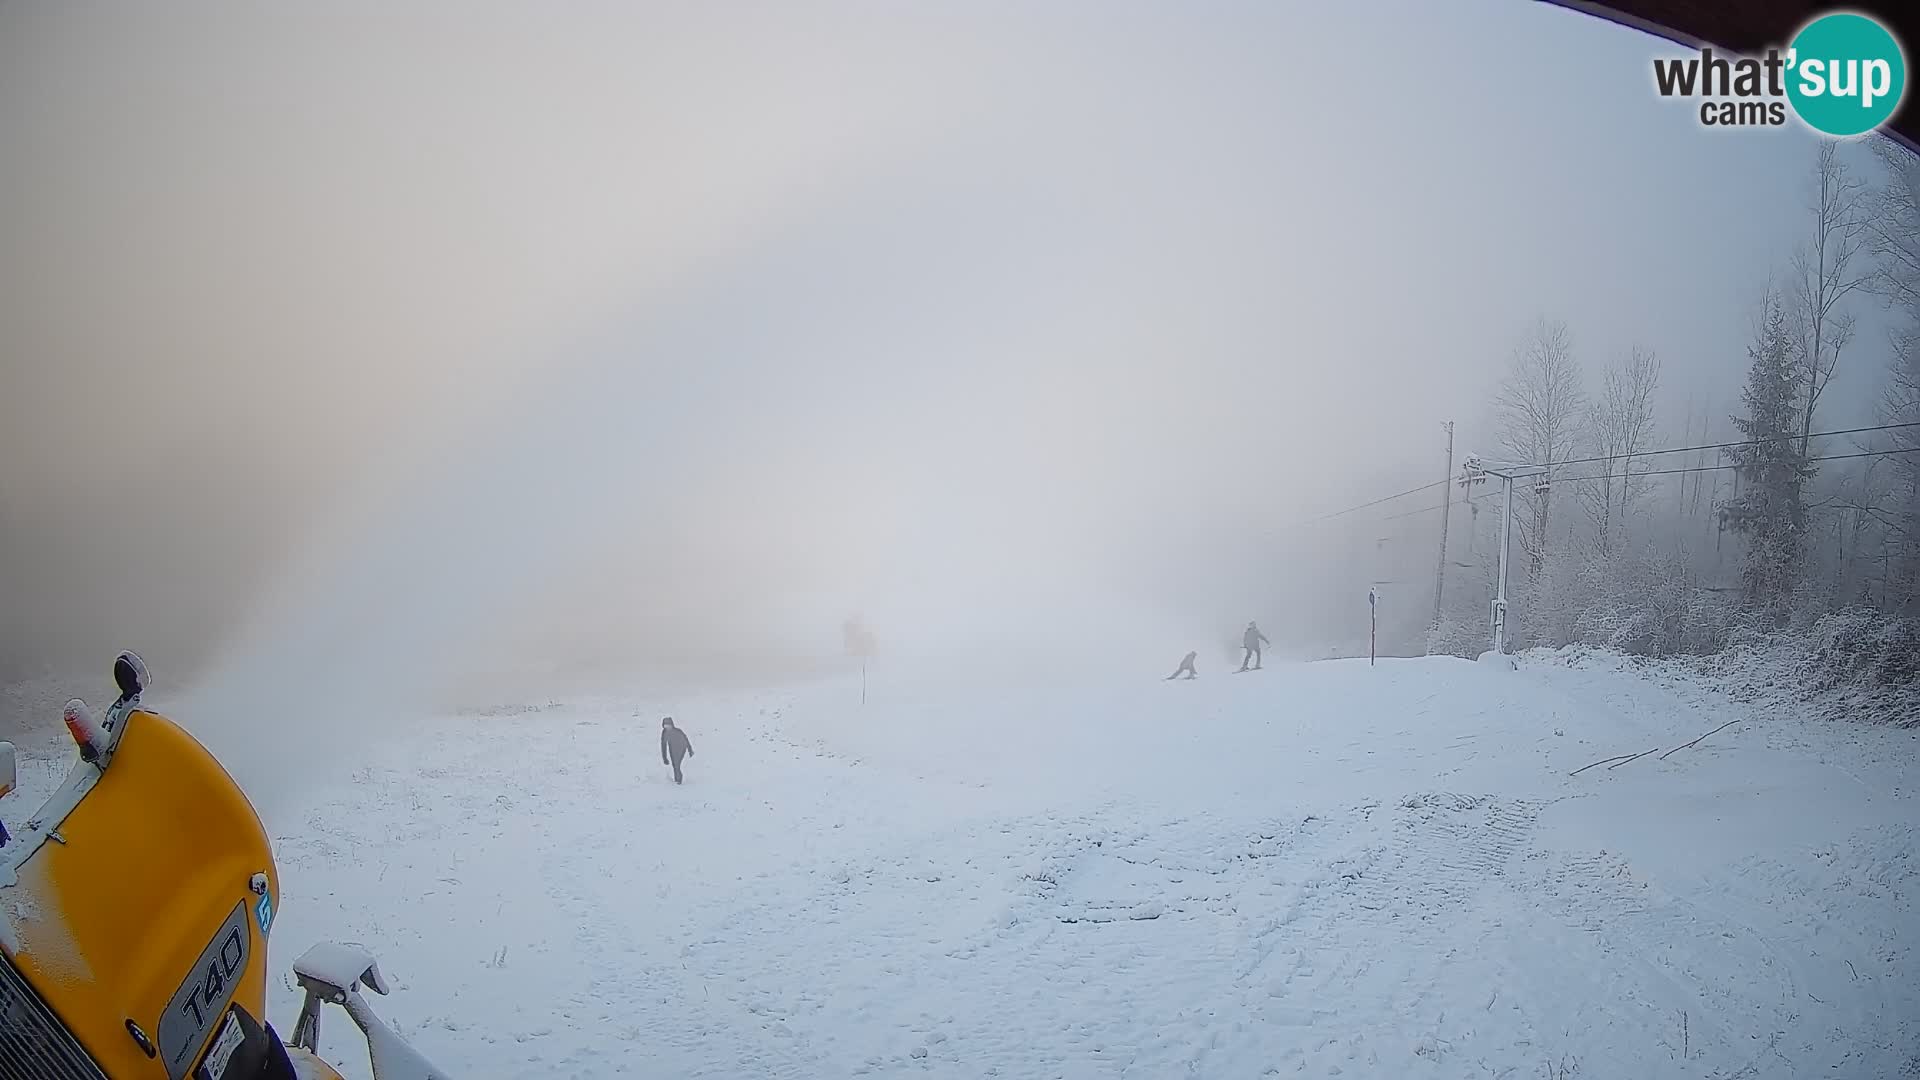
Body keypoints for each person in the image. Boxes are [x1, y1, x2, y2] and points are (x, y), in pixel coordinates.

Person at [660, 717, 694, 785]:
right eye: (665, 726)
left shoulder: (678, 731)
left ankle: (678, 781)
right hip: (672, 749)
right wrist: (665, 758)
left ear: (672, 725)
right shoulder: (664, 733)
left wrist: (690, 750)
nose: (667, 727)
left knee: (676, 765)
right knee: (674, 765)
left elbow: (685, 739)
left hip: (681, 748)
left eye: (668, 725)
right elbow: (663, 745)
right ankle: (677, 780)